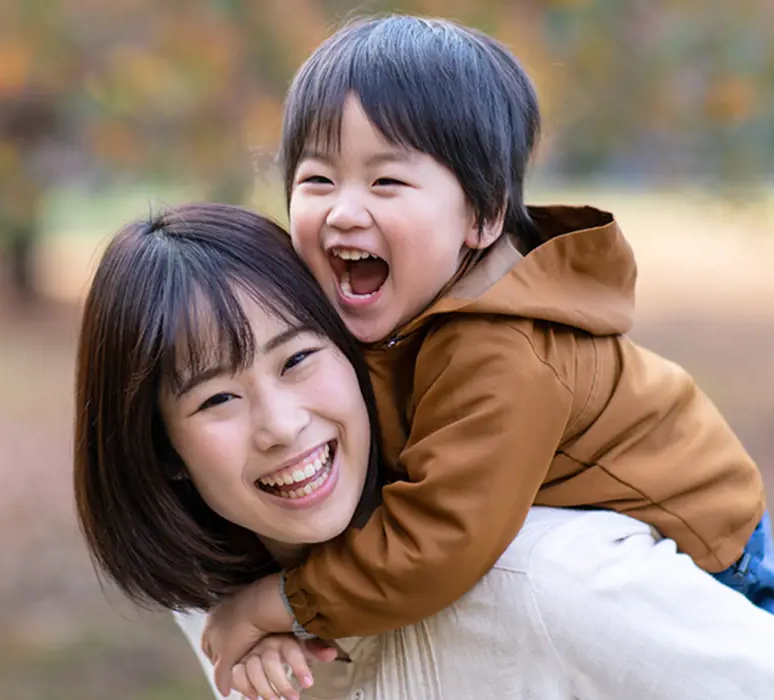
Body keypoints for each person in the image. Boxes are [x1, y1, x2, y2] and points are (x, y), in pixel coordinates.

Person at [200, 14, 774, 695]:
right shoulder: (403, 300)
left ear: (482, 216)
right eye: (318, 180)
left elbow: (436, 545)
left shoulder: (503, 351)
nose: (344, 211)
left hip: (713, 572)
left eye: (386, 183)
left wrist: (278, 603)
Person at [73, 202, 774, 700]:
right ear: (161, 448)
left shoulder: (548, 582)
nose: (281, 426)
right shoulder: (215, 599)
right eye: (216, 399)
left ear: (356, 354)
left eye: (298, 360)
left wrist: (280, 605)